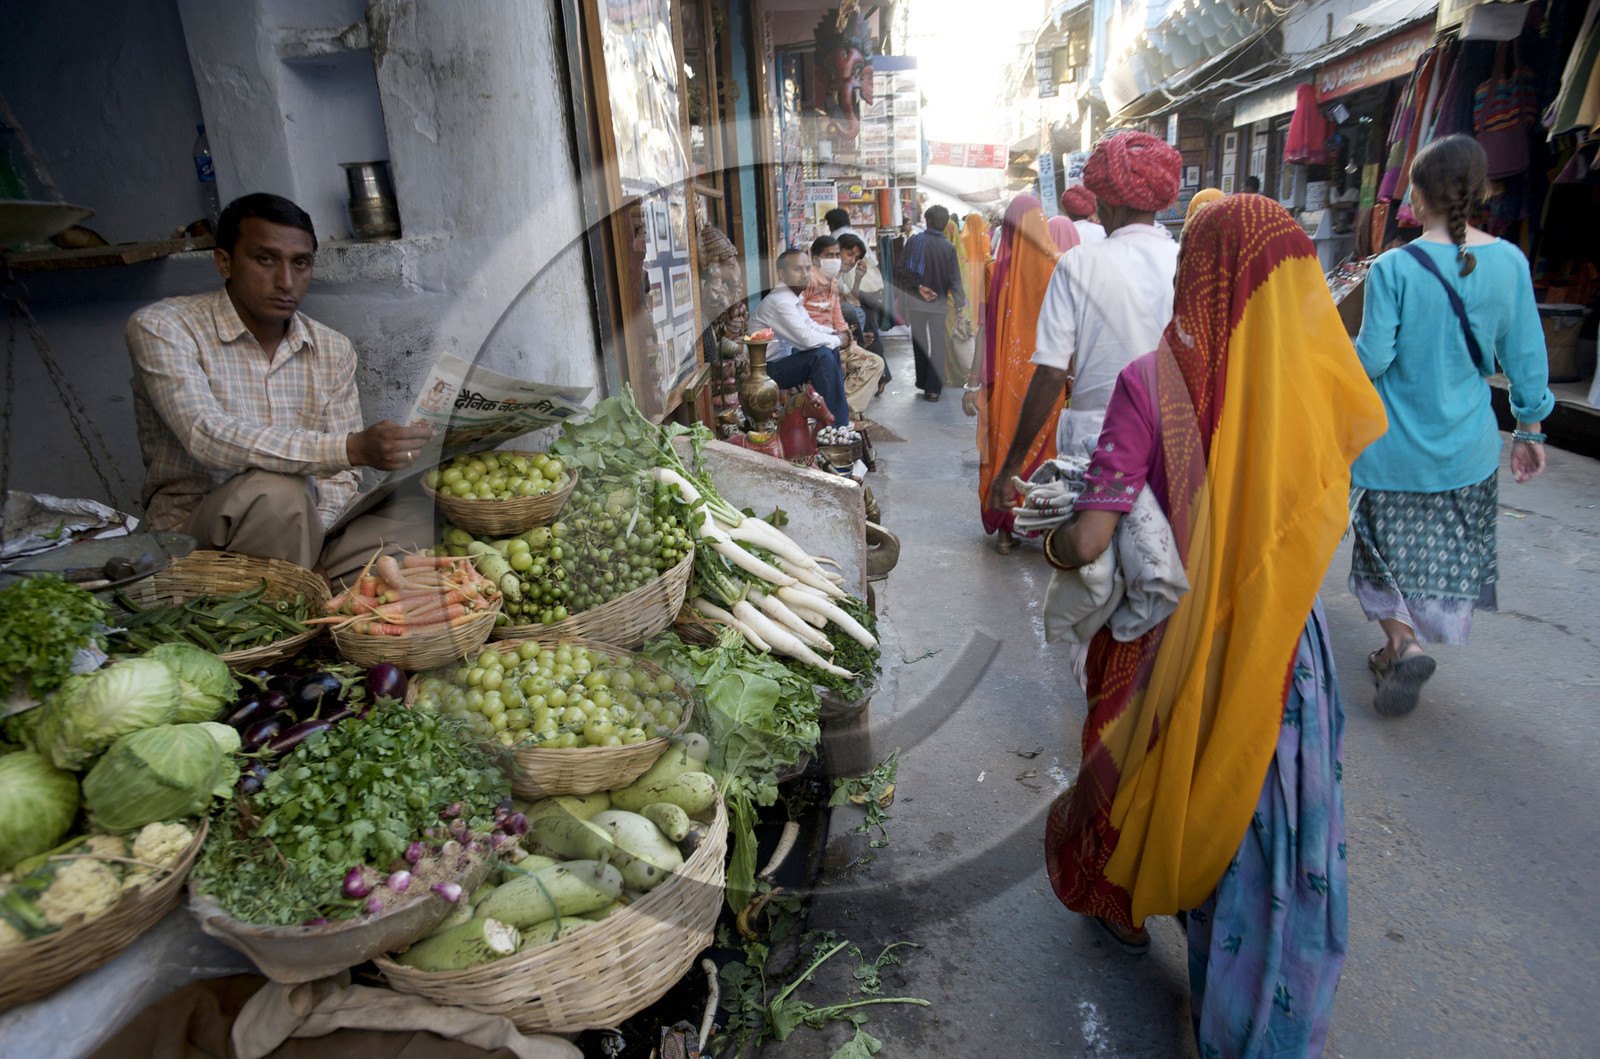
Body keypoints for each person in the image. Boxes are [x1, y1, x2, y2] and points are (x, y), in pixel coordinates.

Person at [1044, 195, 1387, 1057]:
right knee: (1270, 845)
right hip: (1284, 655)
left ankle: (1132, 912)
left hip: (1173, 648)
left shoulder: (1150, 383)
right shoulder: (1309, 388)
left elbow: (1091, 534)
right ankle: (1249, 1024)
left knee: (1167, 789)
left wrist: (1052, 540)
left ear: (1197, 272)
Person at [126, 193, 436, 585]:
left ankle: (297, 581)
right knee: (276, 492)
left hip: (304, 528)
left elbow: (341, 481)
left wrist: (310, 540)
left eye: (300, 263)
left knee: (422, 515)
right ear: (225, 262)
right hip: (196, 537)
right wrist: (350, 448)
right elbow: (204, 435)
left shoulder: (332, 349)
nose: (286, 282)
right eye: (265, 260)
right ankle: (300, 595)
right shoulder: (165, 327)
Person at [1348, 134, 1553, 716]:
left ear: (1416, 193)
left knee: (1378, 552)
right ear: (1481, 191)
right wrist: (1530, 430)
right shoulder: (1510, 262)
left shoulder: (1394, 267)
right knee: (1440, 556)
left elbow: (1373, 360)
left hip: (1391, 448)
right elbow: (1527, 357)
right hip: (1466, 448)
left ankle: (1400, 642)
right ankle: (1408, 644)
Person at [987, 131, 1181, 515]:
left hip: (1095, 441)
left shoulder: (1078, 264)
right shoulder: (1183, 260)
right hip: (1171, 438)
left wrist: (1011, 467)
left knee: (1083, 563)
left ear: (1107, 202)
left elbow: (1051, 374)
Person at [976, 196, 1063, 554]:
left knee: (1004, 445)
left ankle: (1005, 532)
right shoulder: (1060, 267)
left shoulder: (993, 269)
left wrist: (977, 380)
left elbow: (985, 327)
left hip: (1005, 375)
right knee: (1046, 453)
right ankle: (1047, 529)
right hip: (1047, 376)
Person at [747, 249, 853, 426]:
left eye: (807, 269)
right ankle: (834, 426)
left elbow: (809, 325)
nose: (804, 275)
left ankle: (838, 421)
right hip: (766, 373)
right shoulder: (780, 301)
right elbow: (806, 339)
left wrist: (835, 334)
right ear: (781, 273)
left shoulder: (790, 297)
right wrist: (840, 340)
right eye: (797, 269)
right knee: (822, 357)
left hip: (782, 361)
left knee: (828, 351)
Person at [804, 235, 884, 418]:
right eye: (829, 256)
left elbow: (837, 316)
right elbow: (800, 321)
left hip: (834, 341)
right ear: (815, 258)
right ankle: (839, 410)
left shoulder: (832, 281)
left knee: (874, 363)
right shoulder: (808, 280)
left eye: (835, 256)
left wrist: (849, 339)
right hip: (816, 344)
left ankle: (840, 408)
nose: (834, 260)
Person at [894, 204, 966, 401]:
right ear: (945, 225)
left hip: (917, 303)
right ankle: (933, 389)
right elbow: (955, 280)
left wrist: (917, 286)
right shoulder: (948, 248)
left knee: (920, 342)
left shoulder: (915, 241)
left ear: (928, 221)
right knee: (937, 344)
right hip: (938, 305)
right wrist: (959, 307)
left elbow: (900, 268)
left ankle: (923, 381)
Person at [837, 232, 890, 394]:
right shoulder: (829, 275)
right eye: (849, 254)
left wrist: (858, 279)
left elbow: (853, 301)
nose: (852, 260)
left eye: (856, 257)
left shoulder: (844, 274)